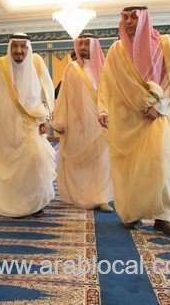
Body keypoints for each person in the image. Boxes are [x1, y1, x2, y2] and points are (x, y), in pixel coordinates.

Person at [98, 6, 170, 236]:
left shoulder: (164, 43)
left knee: (161, 163)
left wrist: (159, 106)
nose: (128, 21)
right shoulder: (116, 50)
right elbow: (106, 82)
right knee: (131, 168)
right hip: (127, 118)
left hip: (157, 116)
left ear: (144, 18)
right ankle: (133, 212)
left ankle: (164, 216)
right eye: (124, 17)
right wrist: (103, 109)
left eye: (133, 17)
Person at [0, 33, 55, 218]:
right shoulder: (1, 64)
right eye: (15, 46)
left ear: (28, 48)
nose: (18, 51)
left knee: (35, 161)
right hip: (7, 126)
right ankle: (17, 205)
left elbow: (48, 92)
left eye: (23, 46)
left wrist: (46, 118)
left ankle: (36, 203)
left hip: (32, 123)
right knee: (13, 167)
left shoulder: (37, 62)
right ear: (10, 47)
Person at [52, 34, 113, 212]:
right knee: (77, 161)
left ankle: (101, 198)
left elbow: (111, 94)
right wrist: (60, 121)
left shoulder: (105, 68)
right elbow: (63, 97)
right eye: (81, 44)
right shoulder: (71, 68)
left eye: (88, 43)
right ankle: (78, 195)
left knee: (101, 161)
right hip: (76, 123)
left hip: (100, 122)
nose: (84, 47)